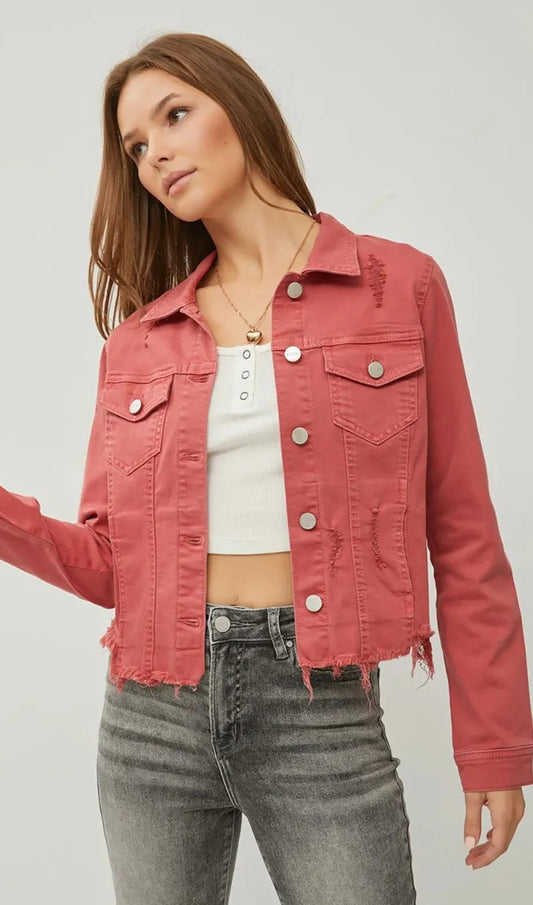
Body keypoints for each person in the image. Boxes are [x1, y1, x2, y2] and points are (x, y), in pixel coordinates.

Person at [1, 31, 532, 904]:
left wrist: (493, 746)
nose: (155, 152)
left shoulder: (397, 286)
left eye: (175, 115)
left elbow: (464, 533)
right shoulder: (139, 342)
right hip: (149, 718)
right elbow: (108, 566)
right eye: (135, 146)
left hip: (320, 713)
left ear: (240, 108)